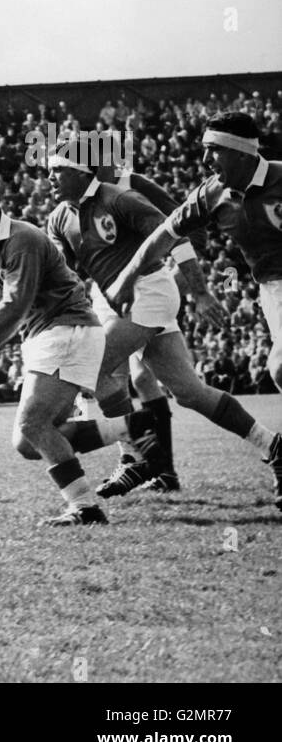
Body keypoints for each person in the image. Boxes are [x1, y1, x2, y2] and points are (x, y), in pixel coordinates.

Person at [43, 144, 276, 502]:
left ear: (79, 171)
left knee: (92, 368)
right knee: (189, 392)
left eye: (57, 170)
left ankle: (137, 455)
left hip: (149, 291)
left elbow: (176, 237)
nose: (49, 178)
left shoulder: (121, 198)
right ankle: (272, 444)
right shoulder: (59, 218)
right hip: (109, 299)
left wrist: (198, 292)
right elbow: (68, 275)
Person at [0, 180, 160, 527]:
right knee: (27, 441)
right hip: (46, 337)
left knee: (33, 423)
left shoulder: (22, 240)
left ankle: (85, 507)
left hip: (66, 331)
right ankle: (133, 427)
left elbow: (14, 305)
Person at [106, 112, 282, 510]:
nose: (205, 161)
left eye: (213, 151)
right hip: (272, 289)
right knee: (180, 387)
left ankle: (138, 458)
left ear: (240, 152)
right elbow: (163, 235)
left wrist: (197, 290)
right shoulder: (212, 193)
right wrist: (125, 280)